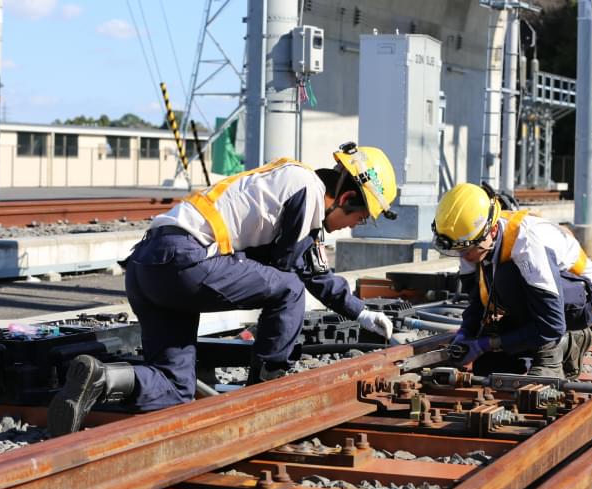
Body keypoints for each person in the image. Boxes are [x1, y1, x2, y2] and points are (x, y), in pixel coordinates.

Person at [48, 142, 398, 436]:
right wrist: (357, 310)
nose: (351, 227)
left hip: (146, 266)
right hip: (184, 261)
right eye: (359, 218)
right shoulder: (307, 189)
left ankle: (102, 379)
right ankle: (265, 389)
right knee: (289, 288)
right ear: (346, 197)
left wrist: (360, 311)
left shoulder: (288, 182)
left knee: (175, 388)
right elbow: (298, 271)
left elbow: (306, 264)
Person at [431, 182, 592, 378]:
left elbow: (552, 324)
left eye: (466, 250)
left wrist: (488, 343)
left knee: (508, 276)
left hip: (582, 299)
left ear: (491, 232)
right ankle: (526, 352)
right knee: (487, 367)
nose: (463, 256)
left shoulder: (526, 245)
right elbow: (478, 300)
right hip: (536, 302)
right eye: (458, 250)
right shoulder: (471, 243)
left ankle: (556, 353)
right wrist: (466, 333)